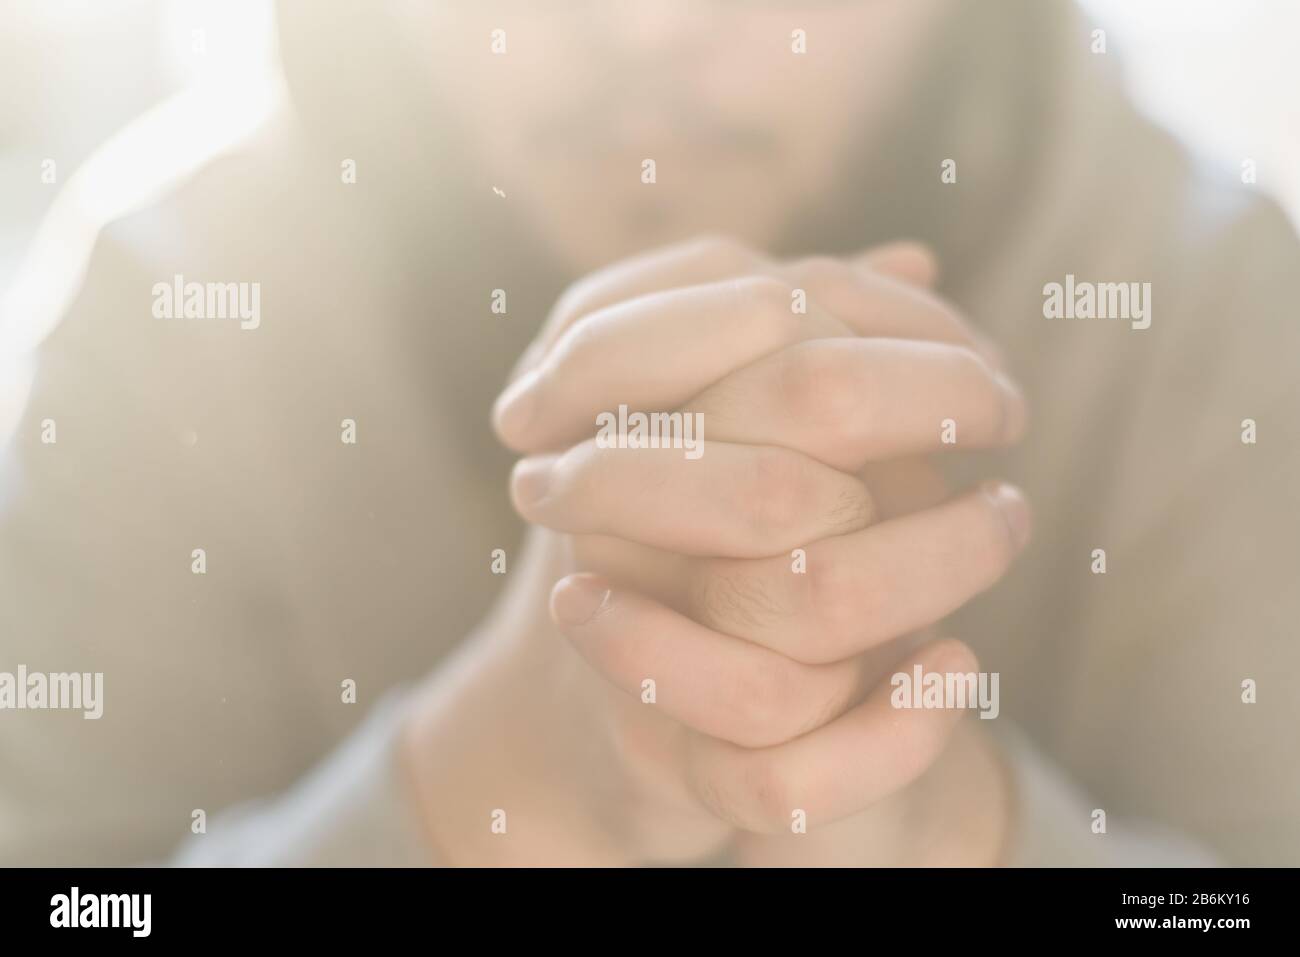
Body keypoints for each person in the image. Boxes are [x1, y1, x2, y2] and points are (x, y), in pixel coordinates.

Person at [1, 0, 1296, 866]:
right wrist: (498, 778)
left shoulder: (1218, 295)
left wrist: (944, 823)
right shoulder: (161, 291)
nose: (641, 27)